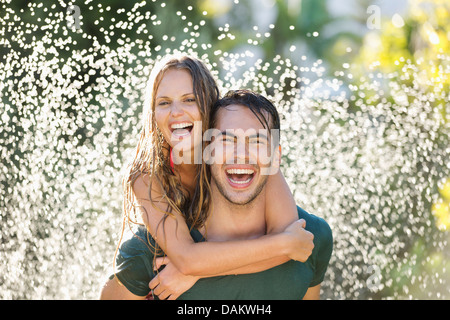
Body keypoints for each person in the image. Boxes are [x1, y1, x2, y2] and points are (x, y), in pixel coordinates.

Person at [100, 55, 316, 299]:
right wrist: (193, 267)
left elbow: (291, 243)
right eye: (164, 103)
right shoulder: (146, 173)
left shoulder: (243, 155)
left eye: (189, 99)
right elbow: (286, 244)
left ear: (208, 106)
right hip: (143, 276)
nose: (176, 112)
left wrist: (196, 272)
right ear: (153, 113)